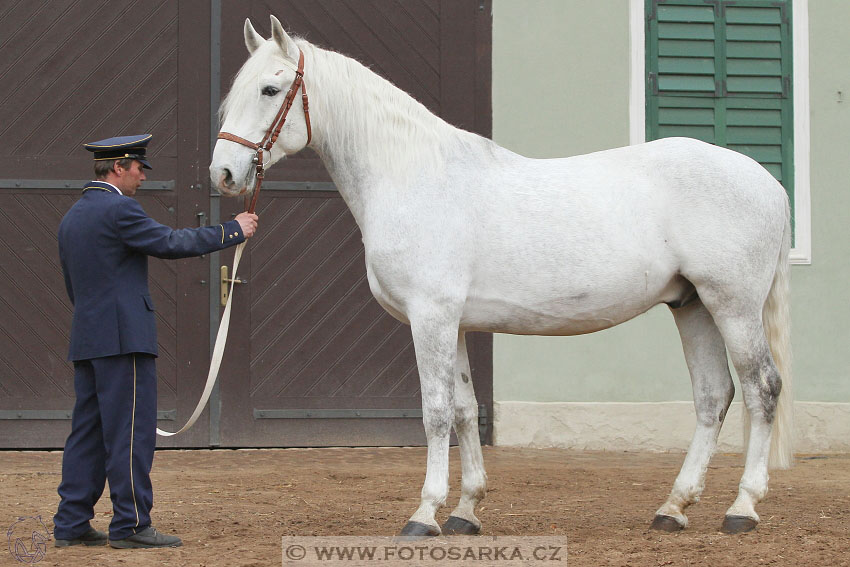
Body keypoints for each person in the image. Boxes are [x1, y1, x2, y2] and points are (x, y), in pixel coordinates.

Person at [52, 134, 258, 549]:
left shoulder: (73, 215)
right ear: (118, 167)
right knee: (130, 433)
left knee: (87, 434)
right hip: (123, 340)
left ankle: (71, 522)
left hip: (89, 338)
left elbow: (77, 285)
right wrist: (231, 231)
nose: (142, 178)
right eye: (138, 169)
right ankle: (130, 525)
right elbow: (170, 242)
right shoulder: (119, 209)